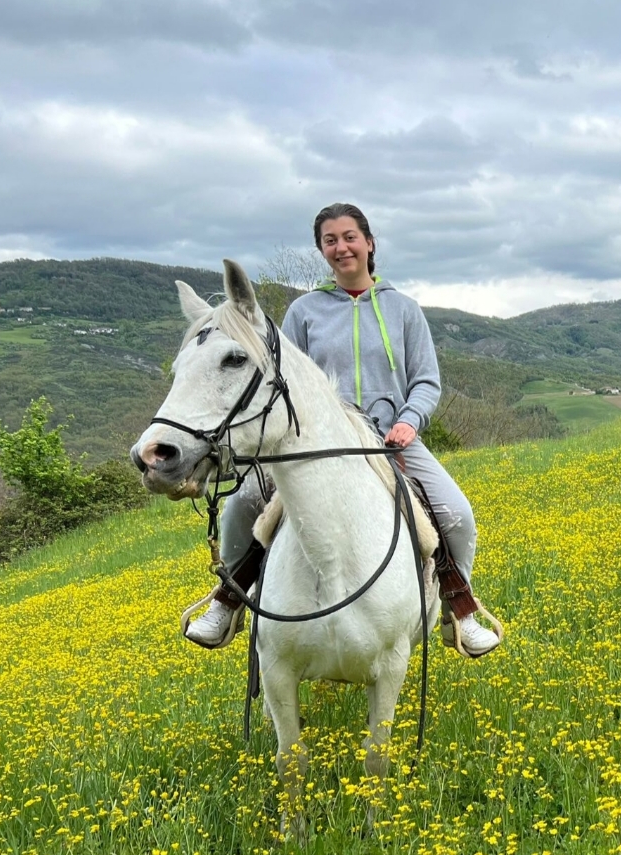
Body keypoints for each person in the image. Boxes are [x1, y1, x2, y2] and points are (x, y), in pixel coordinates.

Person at [183, 202, 503, 657]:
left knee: (454, 514)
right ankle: (228, 603)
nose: (341, 247)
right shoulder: (303, 312)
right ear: (321, 250)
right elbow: (282, 376)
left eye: (349, 237)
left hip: (389, 440)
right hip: (312, 441)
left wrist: (409, 423)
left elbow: (427, 381)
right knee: (243, 506)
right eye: (329, 240)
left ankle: (459, 611)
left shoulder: (404, 309)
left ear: (369, 243)